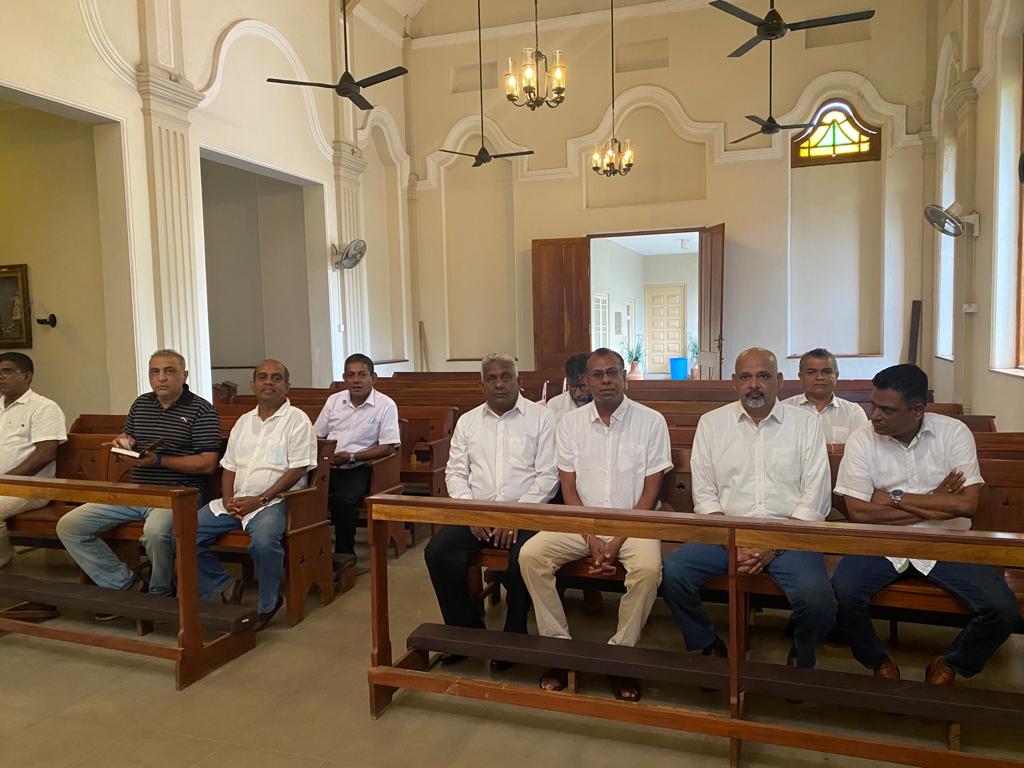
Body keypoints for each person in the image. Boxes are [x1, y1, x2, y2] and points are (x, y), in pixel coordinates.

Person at [832, 363, 1019, 684]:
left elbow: (966, 504)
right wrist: (936, 500)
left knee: (1002, 609)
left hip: (946, 541)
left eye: (887, 410)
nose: (875, 416)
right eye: (873, 405)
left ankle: (951, 663)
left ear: (918, 409)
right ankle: (877, 660)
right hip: (883, 542)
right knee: (841, 593)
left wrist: (893, 497)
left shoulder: (953, 433)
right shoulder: (862, 438)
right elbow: (860, 512)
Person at [661, 348, 836, 672]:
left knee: (819, 601)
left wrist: (772, 543)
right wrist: (732, 541)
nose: (754, 385)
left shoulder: (805, 424)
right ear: (734, 382)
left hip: (790, 535)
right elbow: (705, 494)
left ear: (779, 380)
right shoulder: (712, 424)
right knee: (673, 574)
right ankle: (707, 642)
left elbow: (816, 496)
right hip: (725, 533)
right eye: (746, 377)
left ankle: (801, 653)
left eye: (763, 376)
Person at [519, 348, 671, 702]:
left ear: (624, 377)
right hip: (581, 523)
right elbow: (569, 488)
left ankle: (620, 656)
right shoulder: (570, 424)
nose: (606, 381)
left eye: (612, 373)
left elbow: (651, 492)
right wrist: (590, 536)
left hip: (635, 524)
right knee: (530, 555)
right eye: (597, 375)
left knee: (649, 570)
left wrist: (615, 540)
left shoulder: (651, 421)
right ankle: (559, 650)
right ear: (585, 381)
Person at [424, 353, 558, 670]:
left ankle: (513, 635)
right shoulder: (468, 422)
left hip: (526, 513)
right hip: (477, 513)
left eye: (506, 377)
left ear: (518, 381)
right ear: (482, 385)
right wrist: (472, 513)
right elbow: (455, 473)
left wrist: (515, 516)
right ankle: (465, 631)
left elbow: (548, 475)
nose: (499, 384)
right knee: (438, 552)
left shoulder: (541, 418)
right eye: (492, 378)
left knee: (524, 557)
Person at [56, 350, 221, 608]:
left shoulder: (202, 410)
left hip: (178, 494)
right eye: (155, 372)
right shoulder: (141, 404)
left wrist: (159, 461)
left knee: (156, 533)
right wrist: (124, 442)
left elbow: (208, 464)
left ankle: (160, 595)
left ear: (184, 375)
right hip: (136, 491)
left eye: (169, 371)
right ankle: (127, 586)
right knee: (70, 525)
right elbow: (128, 437)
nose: (161, 378)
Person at [191, 360, 317, 631]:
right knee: (185, 532)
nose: (268, 382)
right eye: (262, 377)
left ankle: (268, 603)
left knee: (263, 541)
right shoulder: (243, 422)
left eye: (276, 378)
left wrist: (260, 500)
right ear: (253, 385)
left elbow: (297, 469)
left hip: (277, 501)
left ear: (287, 386)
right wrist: (228, 500)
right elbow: (229, 466)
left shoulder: (297, 420)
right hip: (237, 501)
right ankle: (223, 585)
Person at [314, 354, 400, 560]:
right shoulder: (334, 401)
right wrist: (325, 456)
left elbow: (388, 447)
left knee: (343, 500)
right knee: (305, 496)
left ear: (373, 378)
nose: (356, 380)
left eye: (362, 375)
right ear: (344, 378)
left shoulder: (385, 405)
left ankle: (344, 553)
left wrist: (352, 456)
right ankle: (313, 553)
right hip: (329, 465)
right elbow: (317, 435)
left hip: (362, 466)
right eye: (351, 375)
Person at [0, 352, 67, 569]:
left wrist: (7, 480)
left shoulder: (43, 408)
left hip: (31, 487)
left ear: (27, 376)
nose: (1, 377)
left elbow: (45, 454)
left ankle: (3, 561)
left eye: (7, 371)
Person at [784, 348, 868, 443]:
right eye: (811, 372)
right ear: (801, 377)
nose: (819, 377)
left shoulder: (853, 413)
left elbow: (862, 448)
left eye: (826, 372)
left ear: (836, 376)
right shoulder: (784, 409)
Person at [544, 353, 592, 424]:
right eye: (572, 386)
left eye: (583, 386)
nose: (577, 394)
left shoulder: (606, 404)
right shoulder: (553, 406)